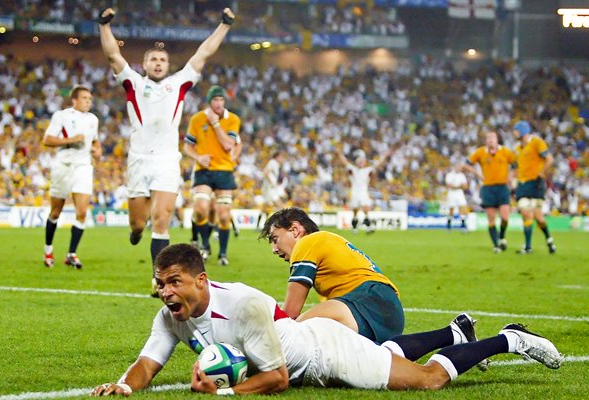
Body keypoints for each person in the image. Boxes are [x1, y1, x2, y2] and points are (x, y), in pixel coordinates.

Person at [90, 243, 562, 396]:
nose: (164, 291)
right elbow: (148, 362)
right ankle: (455, 331)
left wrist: (229, 391)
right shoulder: (169, 316)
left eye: (173, 282)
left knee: (428, 380)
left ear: (200, 280)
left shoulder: (244, 304)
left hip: (324, 352)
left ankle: (507, 340)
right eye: (160, 282)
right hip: (304, 355)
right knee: (390, 357)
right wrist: (125, 385)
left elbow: (276, 377)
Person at [98, 7, 235, 288]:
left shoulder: (179, 83)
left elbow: (203, 53)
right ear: (145, 64)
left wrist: (224, 24)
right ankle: (136, 233)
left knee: (161, 221)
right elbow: (113, 55)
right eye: (153, 59)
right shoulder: (133, 82)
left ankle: (158, 280)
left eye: (162, 59)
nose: (158, 63)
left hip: (166, 161)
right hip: (138, 160)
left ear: (167, 64)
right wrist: (104, 26)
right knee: (139, 224)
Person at [259, 207, 404, 343]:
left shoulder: (307, 243)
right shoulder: (328, 244)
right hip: (391, 314)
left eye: (275, 239)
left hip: (367, 301)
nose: (274, 249)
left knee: (292, 333)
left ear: (295, 230)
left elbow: (290, 313)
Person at [42, 85, 102, 269]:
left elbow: (95, 141)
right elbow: (47, 140)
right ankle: (48, 250)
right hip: (63, 166)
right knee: (55, 212)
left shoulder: (93, 119)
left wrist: (97, 150)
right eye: (84, 98)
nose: (88, 102)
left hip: (83, 167)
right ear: (74, 100)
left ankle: (71, 254)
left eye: (90, 99)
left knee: (82, 212)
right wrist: (71, 140)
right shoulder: (61, 116)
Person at [183, 85, 241, 266]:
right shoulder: (197, 119)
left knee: (224, 215)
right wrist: (198, 156)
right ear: (209, 101)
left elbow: (228, 145)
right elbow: (187, 146)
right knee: (200, 209)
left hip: (224, 170)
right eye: (215, 100)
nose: (218, 103)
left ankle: (223, 253)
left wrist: (215, 123)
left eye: (221, 100)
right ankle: (205, 246)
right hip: (204, 170)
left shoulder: (232, 119)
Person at [462, 131, 516, 253]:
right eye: (488, 138)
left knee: (505, 217)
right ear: (486, 141)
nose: (490, 140)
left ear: (497, 140)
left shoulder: (505, 152)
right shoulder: (481, 152)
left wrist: (511, 175)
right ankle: (496, 244)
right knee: (491, 217)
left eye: (493, 137)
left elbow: (515, 164)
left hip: (502, 187)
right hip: (488, 188)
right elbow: (466, 164)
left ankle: (502, 236)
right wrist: (477, 174)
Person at [512, 121, 556, 254]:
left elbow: (549, 159)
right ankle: (528, 247)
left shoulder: (537, 142)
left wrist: (542, 172)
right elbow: (518, 167)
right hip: (522, 184)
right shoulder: (517, 148)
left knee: (538, 217)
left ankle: (549, 239)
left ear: (523, 131)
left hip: (536, 183)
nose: (514, 133)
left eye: (516, 130)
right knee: (526, 213)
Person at [336, 148, 390, 234]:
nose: (361, 163)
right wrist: (339, 154)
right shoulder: (352, 169)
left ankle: (368, 227)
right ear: (357, 162)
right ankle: (354, 228)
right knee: (355, 212)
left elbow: (378, 164)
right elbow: (345, 162)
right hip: (354, 192)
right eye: (360, 161)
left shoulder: (367, 170)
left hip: (363, 192)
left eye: (362, 161)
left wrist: (385, 155)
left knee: (366, 209)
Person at [255, 151, 286, 230]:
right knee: (280, 205)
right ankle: (282, 224)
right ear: (277, 157)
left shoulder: (276, 164)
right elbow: (266, 172)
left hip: (270, 188)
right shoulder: (273, 162)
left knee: (265, 207)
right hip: (269, 188)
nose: (282, 159)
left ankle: (259, 225)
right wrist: (272, 182)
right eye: (281, 157)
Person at [444, 164, 469, 231]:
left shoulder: (462, 175)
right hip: (451, 193)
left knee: (463, 207)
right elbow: (449, 185)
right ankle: (449, 224)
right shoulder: (449, 175)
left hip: (459, 193)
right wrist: (459, 186)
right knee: (451, 209)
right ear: (455, 167)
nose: (459, 169)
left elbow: (465, 186)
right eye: (458, 167)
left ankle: (463, 225)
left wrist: (457, 186)